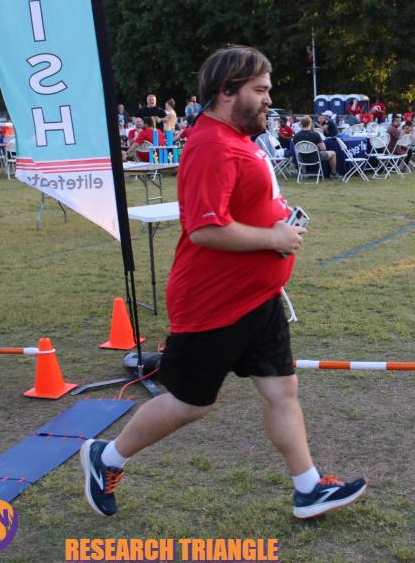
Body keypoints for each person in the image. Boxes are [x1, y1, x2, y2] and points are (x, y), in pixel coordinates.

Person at [80, 45, 367, 520]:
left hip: (258, 298)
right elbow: (204, 229)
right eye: (260, 90)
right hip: (214, 304)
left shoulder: (237, 139)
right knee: (189, 404)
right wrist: (273, 236)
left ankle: (308, 487)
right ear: (227, 90)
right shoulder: (211, 145)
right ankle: (105, 457)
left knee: (282, 391)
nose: (269, 99)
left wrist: (276, 225)